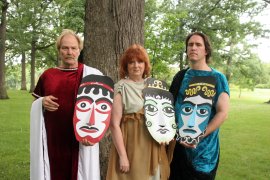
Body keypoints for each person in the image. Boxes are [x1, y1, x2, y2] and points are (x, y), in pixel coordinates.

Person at [30, 29, 102, 180]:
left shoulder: (93, 75)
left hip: (81, 139)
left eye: (73, 48)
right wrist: (41, 102)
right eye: (65, 48)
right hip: (53, 139)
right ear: (59, 50)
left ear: (79, 50)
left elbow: (104, 110)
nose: (69, 52)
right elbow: (34, 104)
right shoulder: (47, 75)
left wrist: (94, 135)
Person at [169, 32, 230, 180]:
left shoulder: (217, 78)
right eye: (190, 45)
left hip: (204, 154)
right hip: (178, 149)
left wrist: (199, 135)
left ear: (206, 50)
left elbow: (222, 113)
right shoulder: (181, 76)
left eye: (198, 45)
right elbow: (169, 109)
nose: (193, 48)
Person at [106, 44, 170, 180]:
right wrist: (123, 156)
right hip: (131, 146)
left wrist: (165, 135)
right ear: (126, 66)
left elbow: (162, 117)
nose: (136, 65)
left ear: (145, 65)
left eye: (140, 61)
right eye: (131, 62)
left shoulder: (153, 85)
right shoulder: (121, 87)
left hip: (152, 144)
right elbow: (114, 124)